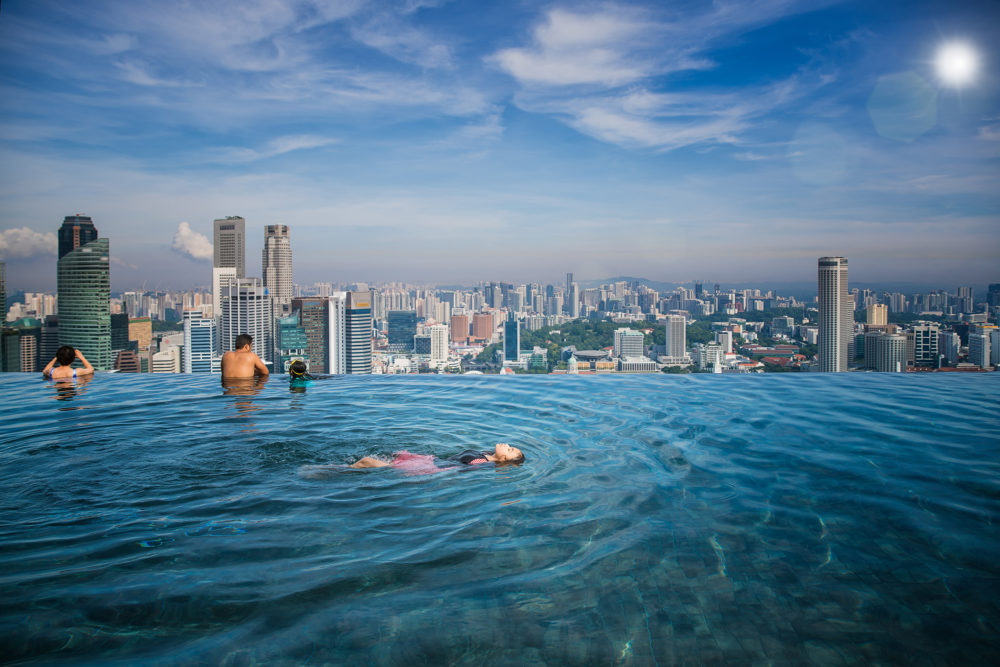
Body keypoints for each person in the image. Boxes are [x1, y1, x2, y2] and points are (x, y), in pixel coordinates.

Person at [350, 443, 525, 470]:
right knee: (393, 457)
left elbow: (456, 469)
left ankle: (335, 471)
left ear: (503, 460)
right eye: (511, 446)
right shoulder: (486, 453)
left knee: (366, 462)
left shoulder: (481, 462)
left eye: (509, 450)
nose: (506, 445)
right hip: (432, 459)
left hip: (432, 468)